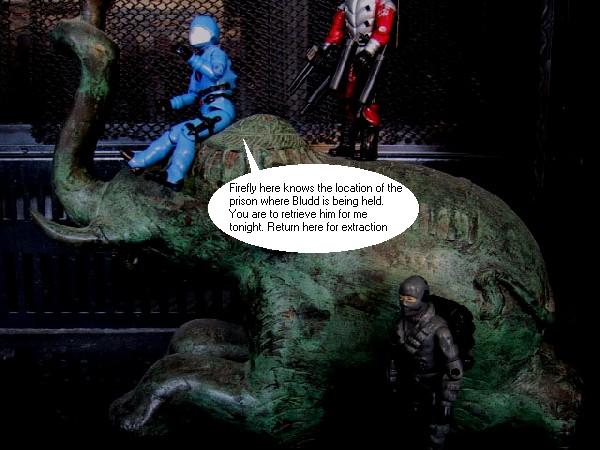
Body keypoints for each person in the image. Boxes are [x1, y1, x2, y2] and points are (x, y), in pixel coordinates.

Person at [122, 15, 236, 191]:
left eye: (199, 31)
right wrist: (171, 103)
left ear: (211, 33)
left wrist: (191, 58)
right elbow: (193, 95)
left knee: (188, 131)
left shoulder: (216, 54)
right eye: (192, 31)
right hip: (207, 111)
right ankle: (140, 161)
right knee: (173, 133)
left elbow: (216, 73)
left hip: (221, 110)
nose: (193, 34)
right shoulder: (197, 65)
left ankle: (174, 176)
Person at [389, 275, 464, 450]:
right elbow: (394, 353)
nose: (404, 303)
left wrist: (447, 397)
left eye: (410, 299)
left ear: (423, 298)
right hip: (409, 382)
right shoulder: (400, 323)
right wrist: (393, 376)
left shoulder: (439, 329)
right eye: (401, 298)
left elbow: (454, 369)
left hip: (434, 386)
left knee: (437, 428)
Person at [322, 0, 397, 160]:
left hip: (373, 56)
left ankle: (368, 148)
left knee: (368, 101)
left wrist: (369, 51)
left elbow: (383, 30)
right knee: (347, 99)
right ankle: (346, 145)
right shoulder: (346, 3)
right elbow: (337, 29)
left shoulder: (383, 4)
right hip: (349, 52)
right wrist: (326, 47)